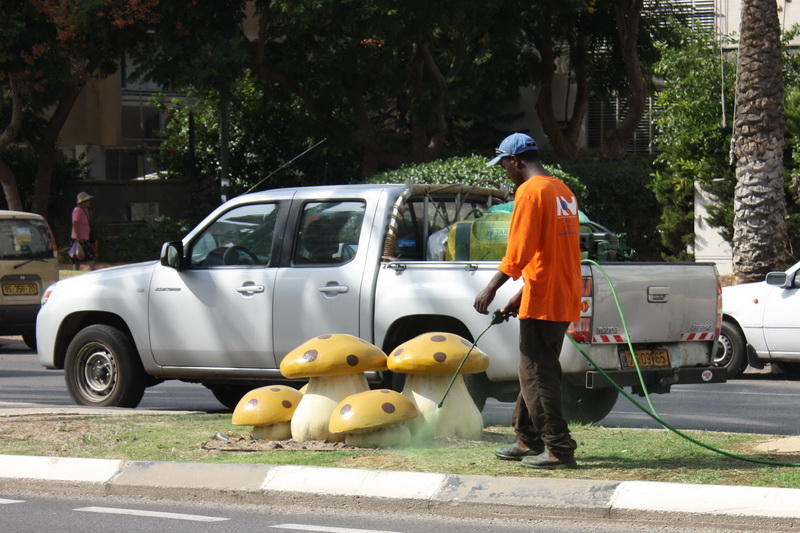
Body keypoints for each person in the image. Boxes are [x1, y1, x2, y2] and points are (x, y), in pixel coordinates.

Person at [473, 132, 582, 469]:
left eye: (504, 164)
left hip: (547, 299)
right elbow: (548, 255)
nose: (504, 170)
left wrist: (491, 288)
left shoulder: (530, 192)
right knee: (534, 369)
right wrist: (519, 298)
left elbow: (518, 252)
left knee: (537, 373)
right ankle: (526, 439)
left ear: (516, 160)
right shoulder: (562, 190)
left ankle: (559, 448)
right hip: (561, 294)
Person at [70, 192, 98, 270]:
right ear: (83, 201)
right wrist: (77, 236)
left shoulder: (85, 210)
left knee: (89, 255)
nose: (89, 202)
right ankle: (77, 271)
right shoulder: (77, 210)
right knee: (78, 256)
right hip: (79, 238)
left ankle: (92, 270)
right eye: (87, 201)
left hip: (85, 237)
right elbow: (74, 222)